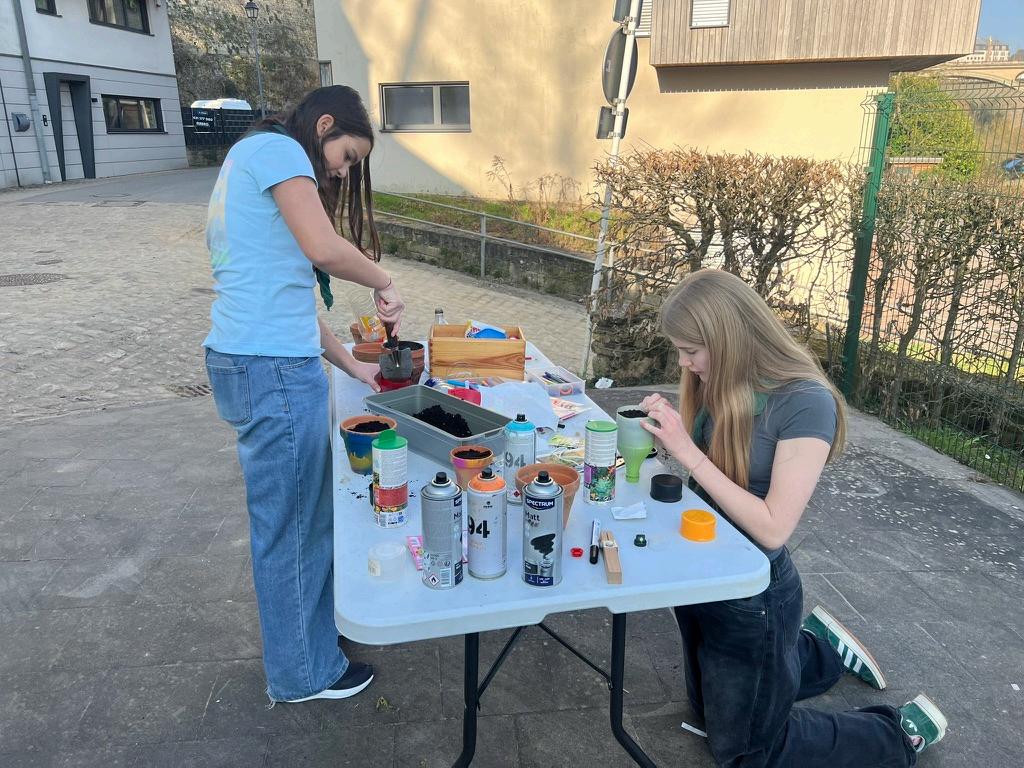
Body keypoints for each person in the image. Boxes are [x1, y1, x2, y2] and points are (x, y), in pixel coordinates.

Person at [640, 269, 946, 767]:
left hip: (755, 594)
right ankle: (818, 652)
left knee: (747, 754)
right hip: (705, 571)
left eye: (691, 350)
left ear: (729, 338)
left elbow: (774, 527)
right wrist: (660, 442)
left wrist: (686, 452)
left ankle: (896, 733)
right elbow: (715, 478)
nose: (683, 363)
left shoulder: (806, 402)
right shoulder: (720, 380)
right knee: (707, 714)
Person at [203, 85, 404, 703]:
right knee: (292, 528)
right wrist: (384, 281)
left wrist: (353, 368)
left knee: (299, 519)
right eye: (346, 156)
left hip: (252, 360)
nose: (342, 172)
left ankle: (308, 642)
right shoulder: (279, 152)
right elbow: (324, 250)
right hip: (273, 373)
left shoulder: (251, 157)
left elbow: (287, 302)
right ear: (323, 126)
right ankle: (302, 673)